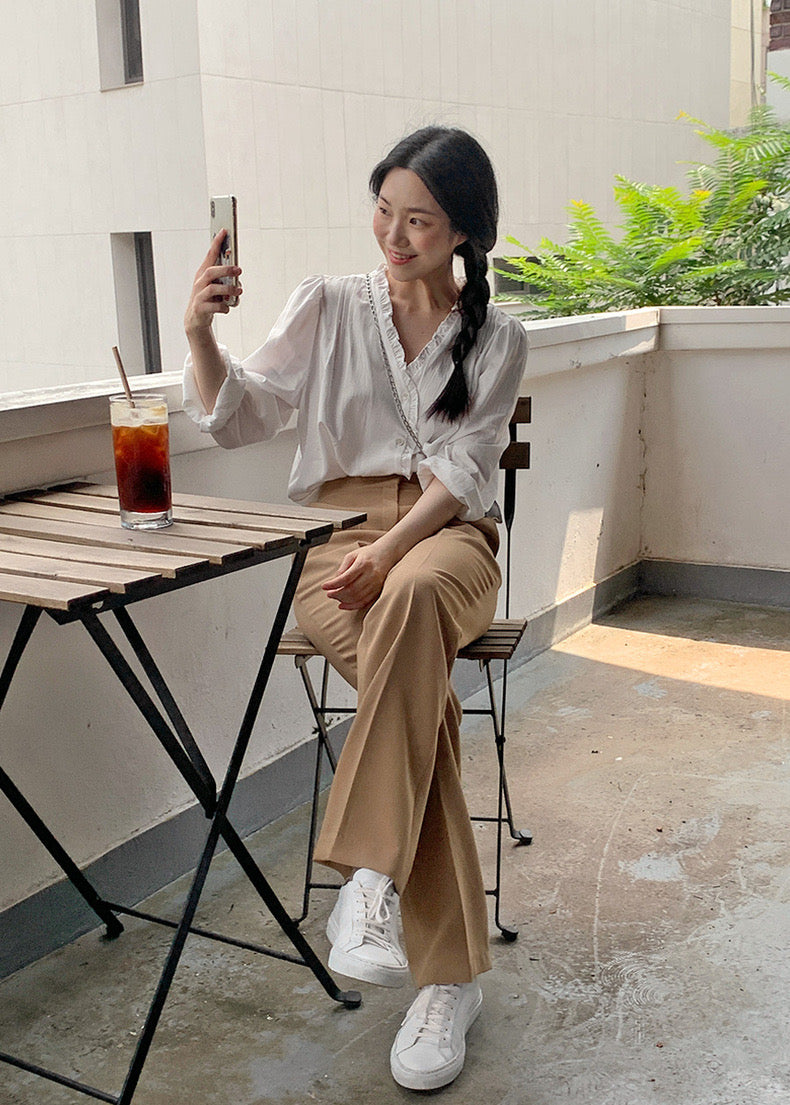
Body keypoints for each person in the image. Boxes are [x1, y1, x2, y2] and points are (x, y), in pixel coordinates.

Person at [183, 126, 528, 1092]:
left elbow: (462, 475)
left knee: (414, 594)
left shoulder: (497, 336)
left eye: (418, 219)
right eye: (384, 210)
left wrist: (392, 547)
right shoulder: (329, 307)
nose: (394, 234)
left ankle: (368, 877)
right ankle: (448, 980)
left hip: (445, 542)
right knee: (427, 705)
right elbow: (241, 414)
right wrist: (202, 334)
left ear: (463, 230)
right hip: (333, 550)